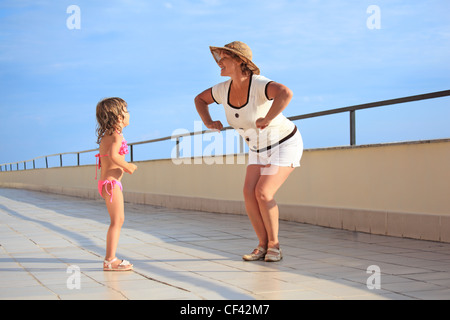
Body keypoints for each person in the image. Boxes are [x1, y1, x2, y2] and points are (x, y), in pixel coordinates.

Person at [194, 41, 303, 262]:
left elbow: (285, 93)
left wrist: (268, 117)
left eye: (223, 59)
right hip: (257, 148)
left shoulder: (259, 85)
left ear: (239, 61)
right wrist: (208, 121)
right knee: (248, 193)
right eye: (219, 59)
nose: (219, 64)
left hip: (285, 143)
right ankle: (262, 245)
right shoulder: (222, 90)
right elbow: (200, 99)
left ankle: (275, 246)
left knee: (263, 192)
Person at [95, 97, 137, 271]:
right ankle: (110, 260)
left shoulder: (109, 135)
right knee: (117, 221)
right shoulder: (116, 135)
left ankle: (110, 259)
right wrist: (127, 166)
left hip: (106, 184)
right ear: (119, 117)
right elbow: (113, 155)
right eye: (126, 111)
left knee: (117, 220)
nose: (129, 114)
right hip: (112, 185)